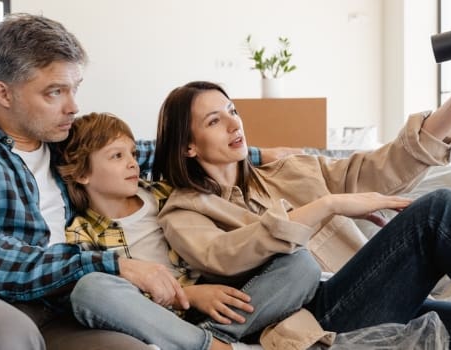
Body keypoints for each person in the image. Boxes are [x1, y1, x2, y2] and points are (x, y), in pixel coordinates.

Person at [0, 13, 286, 350]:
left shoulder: (66, 145)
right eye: (54, 92)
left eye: (75, 88)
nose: (73, 105)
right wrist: (111, 263)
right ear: (3, 93)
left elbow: (155, 153)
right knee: (4, 332)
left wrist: (254, 154)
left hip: (42, 305)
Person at [151, 47, 451, 349]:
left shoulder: (291, 169)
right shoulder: (185, 210)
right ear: (187, 145)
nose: (235, 124)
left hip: (380, 294)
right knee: (441, 209)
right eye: (214, 121)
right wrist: (326, 207)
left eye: (233, 110)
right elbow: (227, 256)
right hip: (314, 318)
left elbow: (381, 169)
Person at [57, 112, 321, 350]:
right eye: (117, 156)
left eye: (134, 154)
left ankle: (210, 340)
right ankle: (216, 346)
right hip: (161, 316)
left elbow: (206, 155)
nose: (133, 164)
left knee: (302, 263)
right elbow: (118, 296)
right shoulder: (81, 234)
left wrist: (259, 155)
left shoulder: (167, 193)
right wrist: (189, 297)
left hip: (217, 295)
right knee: (90, 289)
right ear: (82, 174)